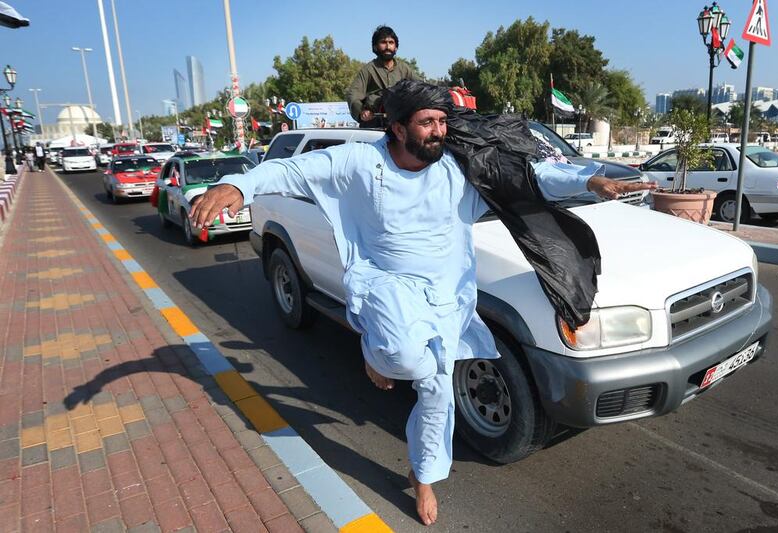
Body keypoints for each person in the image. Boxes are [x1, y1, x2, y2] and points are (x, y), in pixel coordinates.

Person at [190, 80, 656, 526]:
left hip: (446, 295)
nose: (439, 130)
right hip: (386, 285)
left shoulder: (456, 165)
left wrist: (588, 179)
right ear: (397, 128)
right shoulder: (360, 162)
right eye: (428, 122)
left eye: (441, 121)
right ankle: (380, 352)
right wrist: (238, 186)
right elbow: (291, 169)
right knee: (401, 354)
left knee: (436, 391)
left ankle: (423, 476)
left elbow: (526, 178)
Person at [346, 25, 421, 128]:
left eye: (391, 42)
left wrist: (446, 90)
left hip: (399, 122)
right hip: (375, 122)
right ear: (375, 47)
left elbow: (422, 86)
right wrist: (361, 112)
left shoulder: (404, 68)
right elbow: (353, 94)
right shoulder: (369, 69)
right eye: (383, 42)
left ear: (396, 47)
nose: (387, 46)